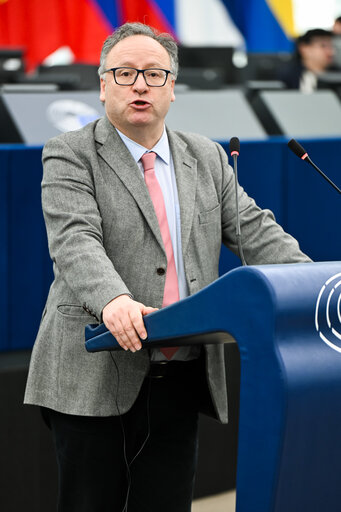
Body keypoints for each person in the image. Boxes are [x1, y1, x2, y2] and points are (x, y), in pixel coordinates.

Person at [24, 22, 311, 512]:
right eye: (126, 73)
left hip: (180, 374)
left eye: (155, 74)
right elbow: (75, 241)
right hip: (95, 368)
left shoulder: (207, 156)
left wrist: (317, 283)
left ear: (172, 88)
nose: (140, 85)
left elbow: (256, 233)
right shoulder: (70, 153)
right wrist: (113, 300)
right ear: (102, 84)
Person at [279, 28, 336, 92]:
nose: (331, 52)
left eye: (332, 46)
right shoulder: (287, 75)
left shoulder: (337, 75)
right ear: (304, 48)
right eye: (323, 46)